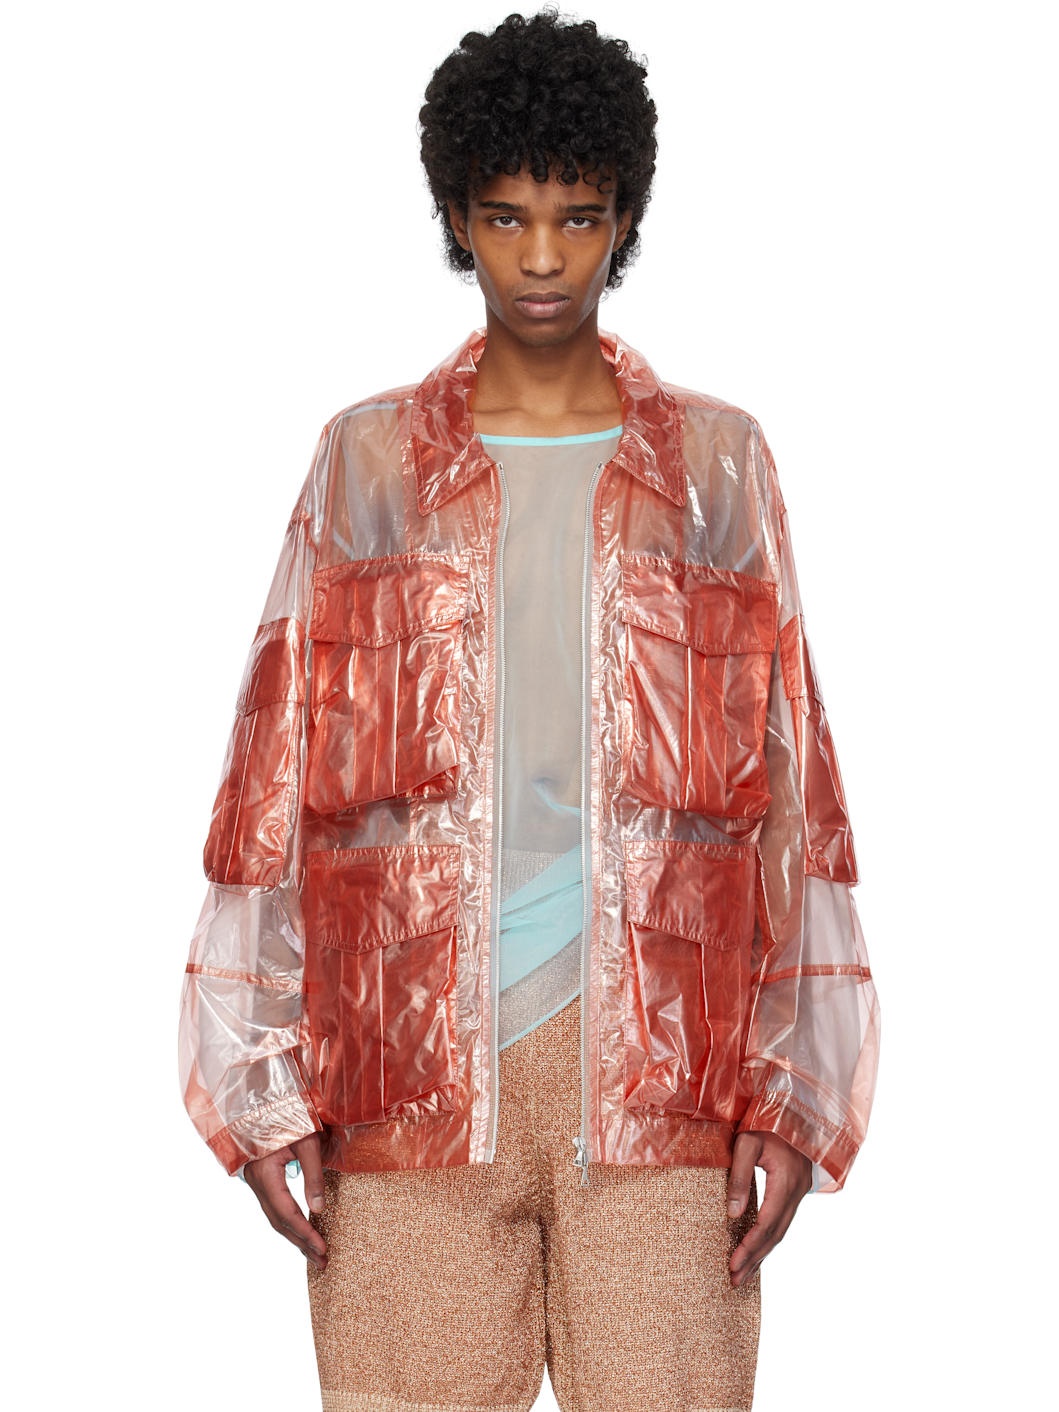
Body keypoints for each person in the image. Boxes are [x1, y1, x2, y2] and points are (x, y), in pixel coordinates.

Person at [178, 10, 880, 1410]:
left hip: (666, 1068)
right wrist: (258, 1080)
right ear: (457, 218)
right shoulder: (368, 463)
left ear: (625, 219)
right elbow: (275, 770)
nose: (545, 259)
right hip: (401, 1059)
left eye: (579, 218)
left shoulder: (719, 469)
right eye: (506, 218)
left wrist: (794, 1086)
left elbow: (794, 783)